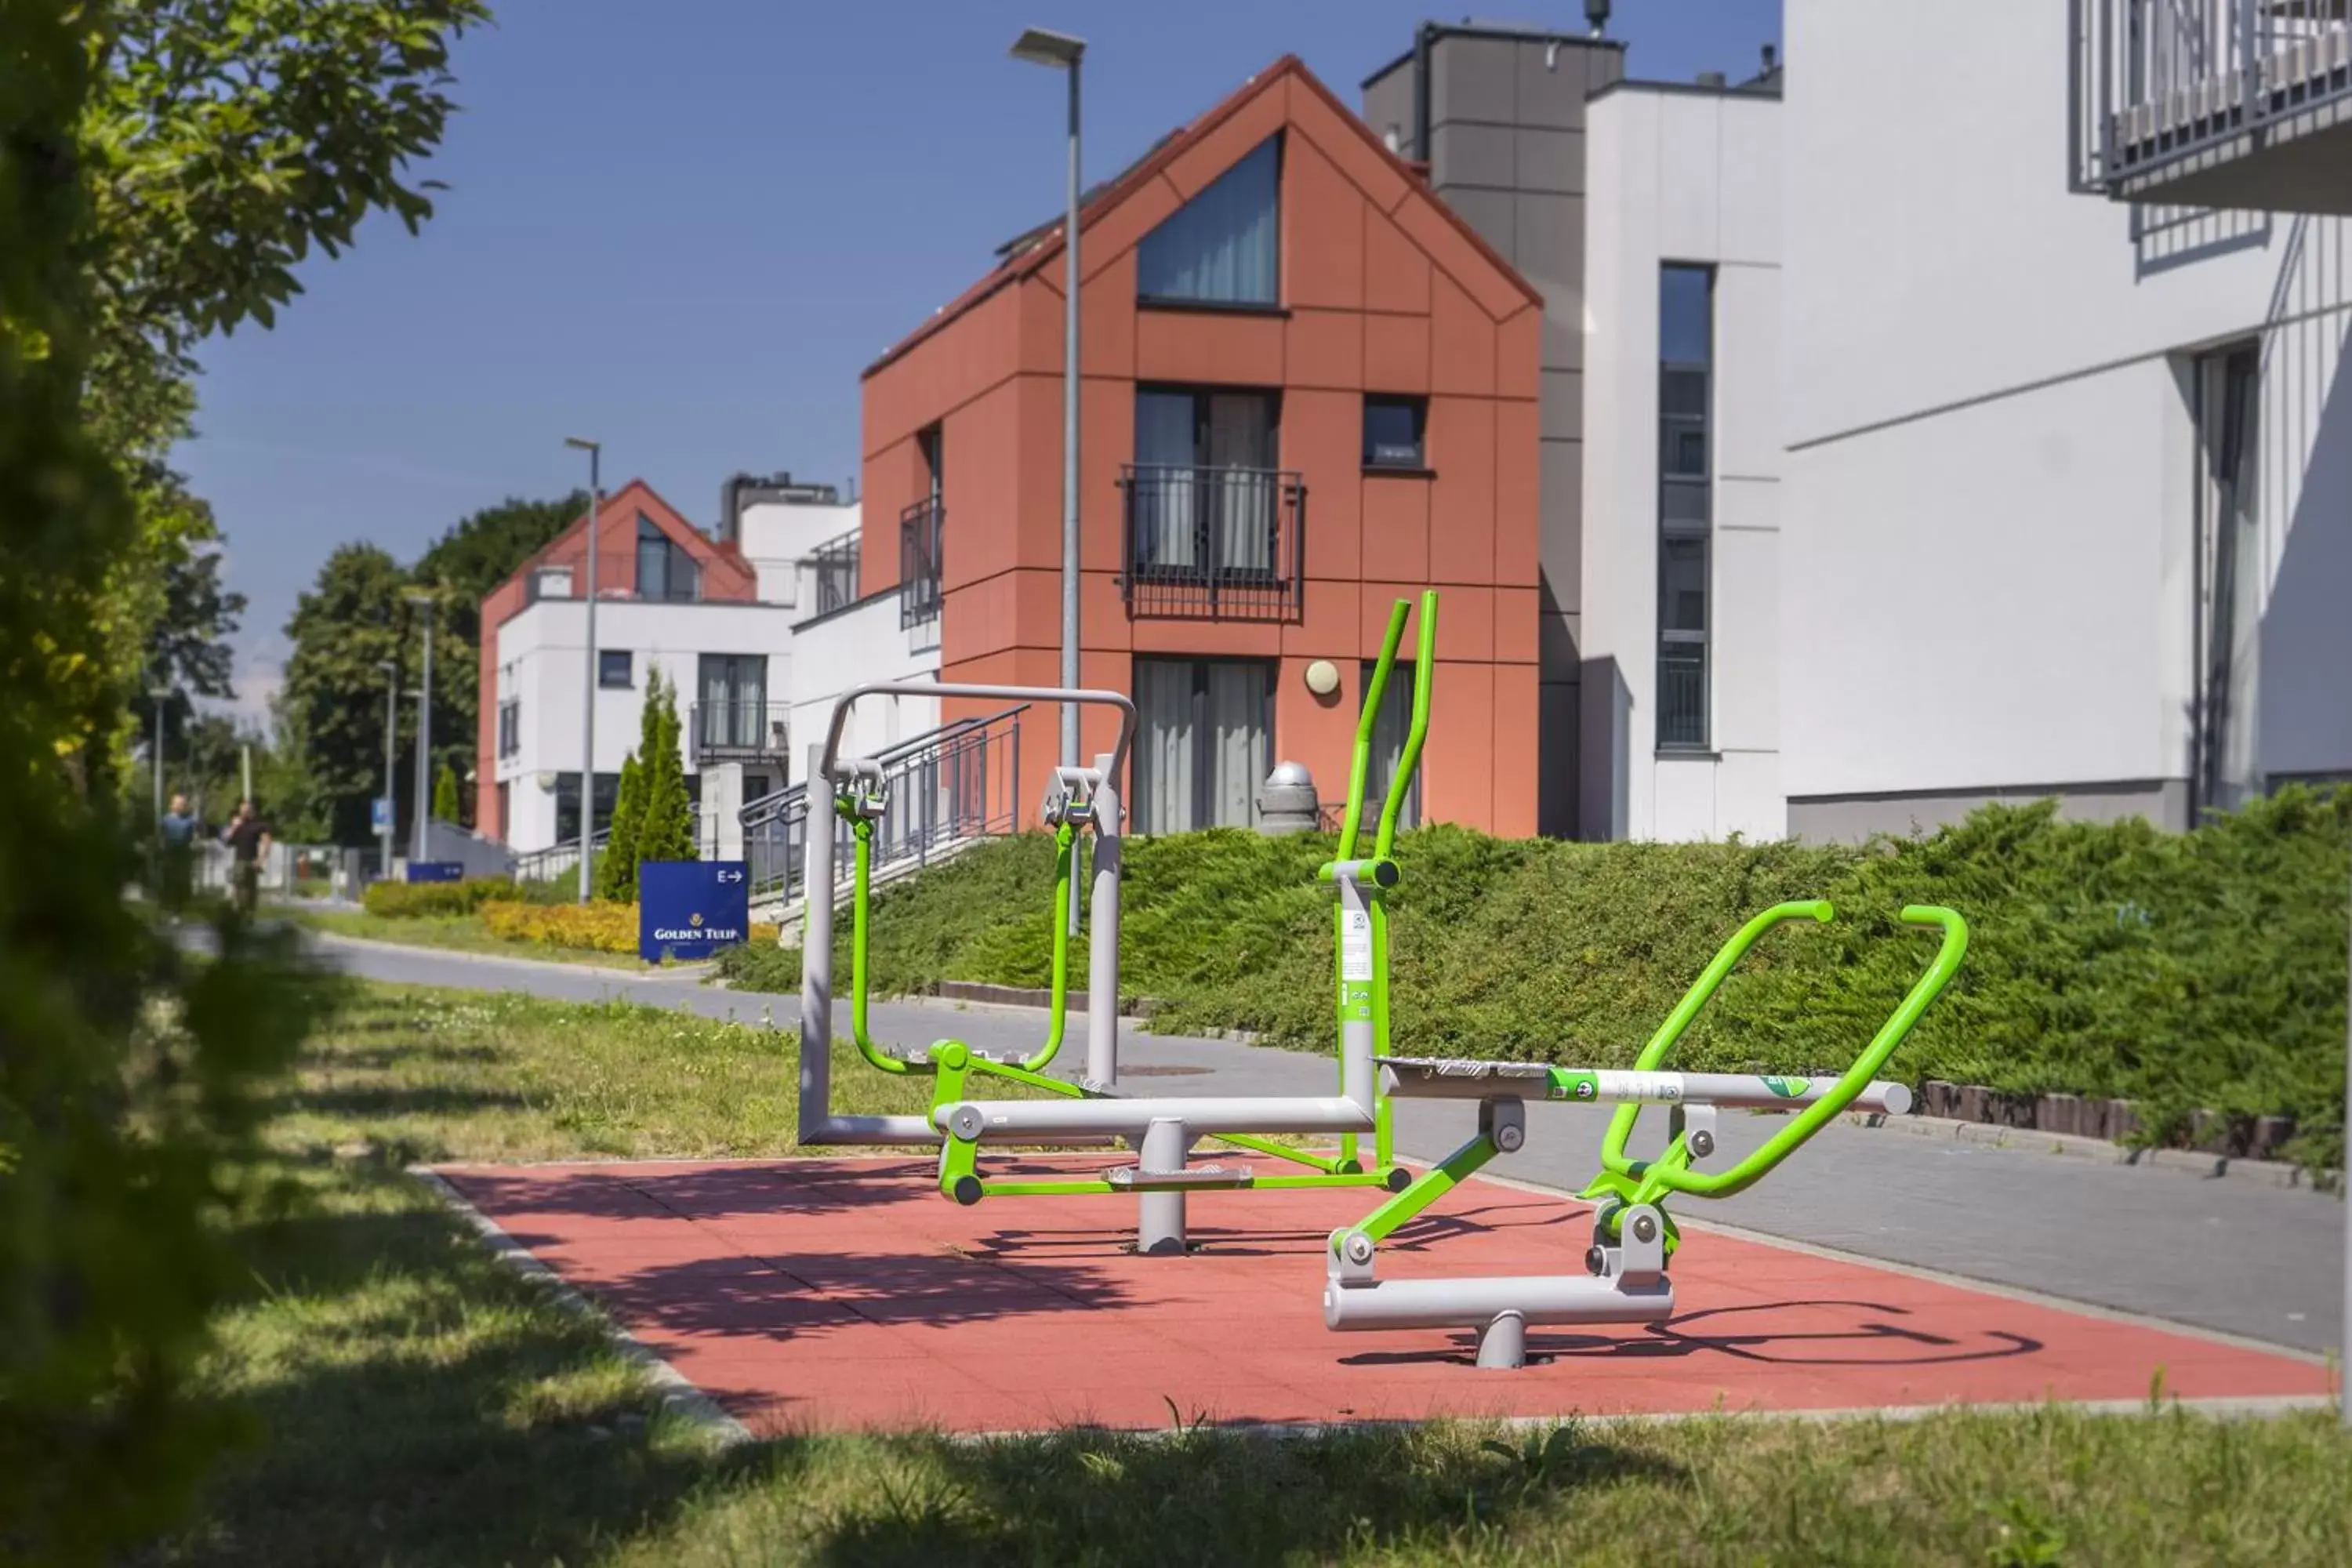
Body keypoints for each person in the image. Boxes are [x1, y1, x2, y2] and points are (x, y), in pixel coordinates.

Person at [222, 798, 271, 917]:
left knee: (251, 890)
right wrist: (234, 827)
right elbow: (227, 841)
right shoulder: (237, 825)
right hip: (240, 861)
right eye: (242, 810)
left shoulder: (257, 825)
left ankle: (249, 915)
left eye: (247, 810)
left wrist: (261, 859)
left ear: (251, 811)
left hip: (252, 861)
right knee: (239, 888)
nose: (244, 812)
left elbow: (266, 842)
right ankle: (239, 913)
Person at [158, 792, 198, 912]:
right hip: (169, 856)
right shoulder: (165, 820)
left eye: (182, 804)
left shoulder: (189, 821)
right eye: (177, 804)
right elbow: (160, 837)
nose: (179, 806)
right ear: (172, 805)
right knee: (168, 882)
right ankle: (166, 907)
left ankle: (178, 909)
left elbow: (192, 838)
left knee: (182, 883)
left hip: (183, 857)